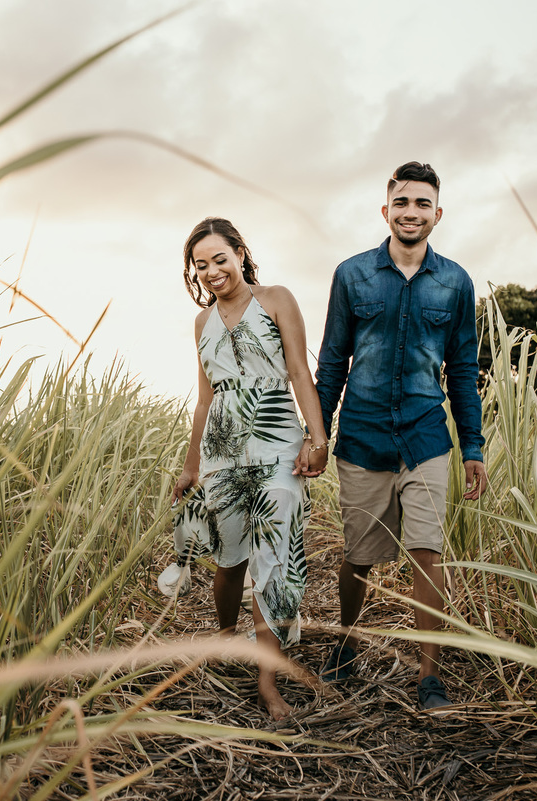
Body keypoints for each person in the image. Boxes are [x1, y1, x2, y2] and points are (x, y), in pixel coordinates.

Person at [314, 162, 489, 710]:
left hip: (426, 438)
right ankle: (344, 643)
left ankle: (428, 674)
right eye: (402, 203)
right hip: (363, 438)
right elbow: (331, 363)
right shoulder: (352, 275)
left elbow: (462, 369)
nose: (411, 212)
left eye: (422, 204)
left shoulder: (456, 283)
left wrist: (473, 447)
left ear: (438, 213)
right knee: (359, 556)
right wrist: (316, 436)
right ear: (385, 210)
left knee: (427, 553)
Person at [171, 217, 329, 721]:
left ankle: (267, 680)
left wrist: (318, 436)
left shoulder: (276, 299)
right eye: (202, 265)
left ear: (240, 252)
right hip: (222, 449)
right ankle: (224, 639)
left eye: (220, 258)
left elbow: (301, 372)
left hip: (278, 442)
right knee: (229, 556)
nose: (213, 271)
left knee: (273, 557)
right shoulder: (201, 323)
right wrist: (191, 464)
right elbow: (203, 400)